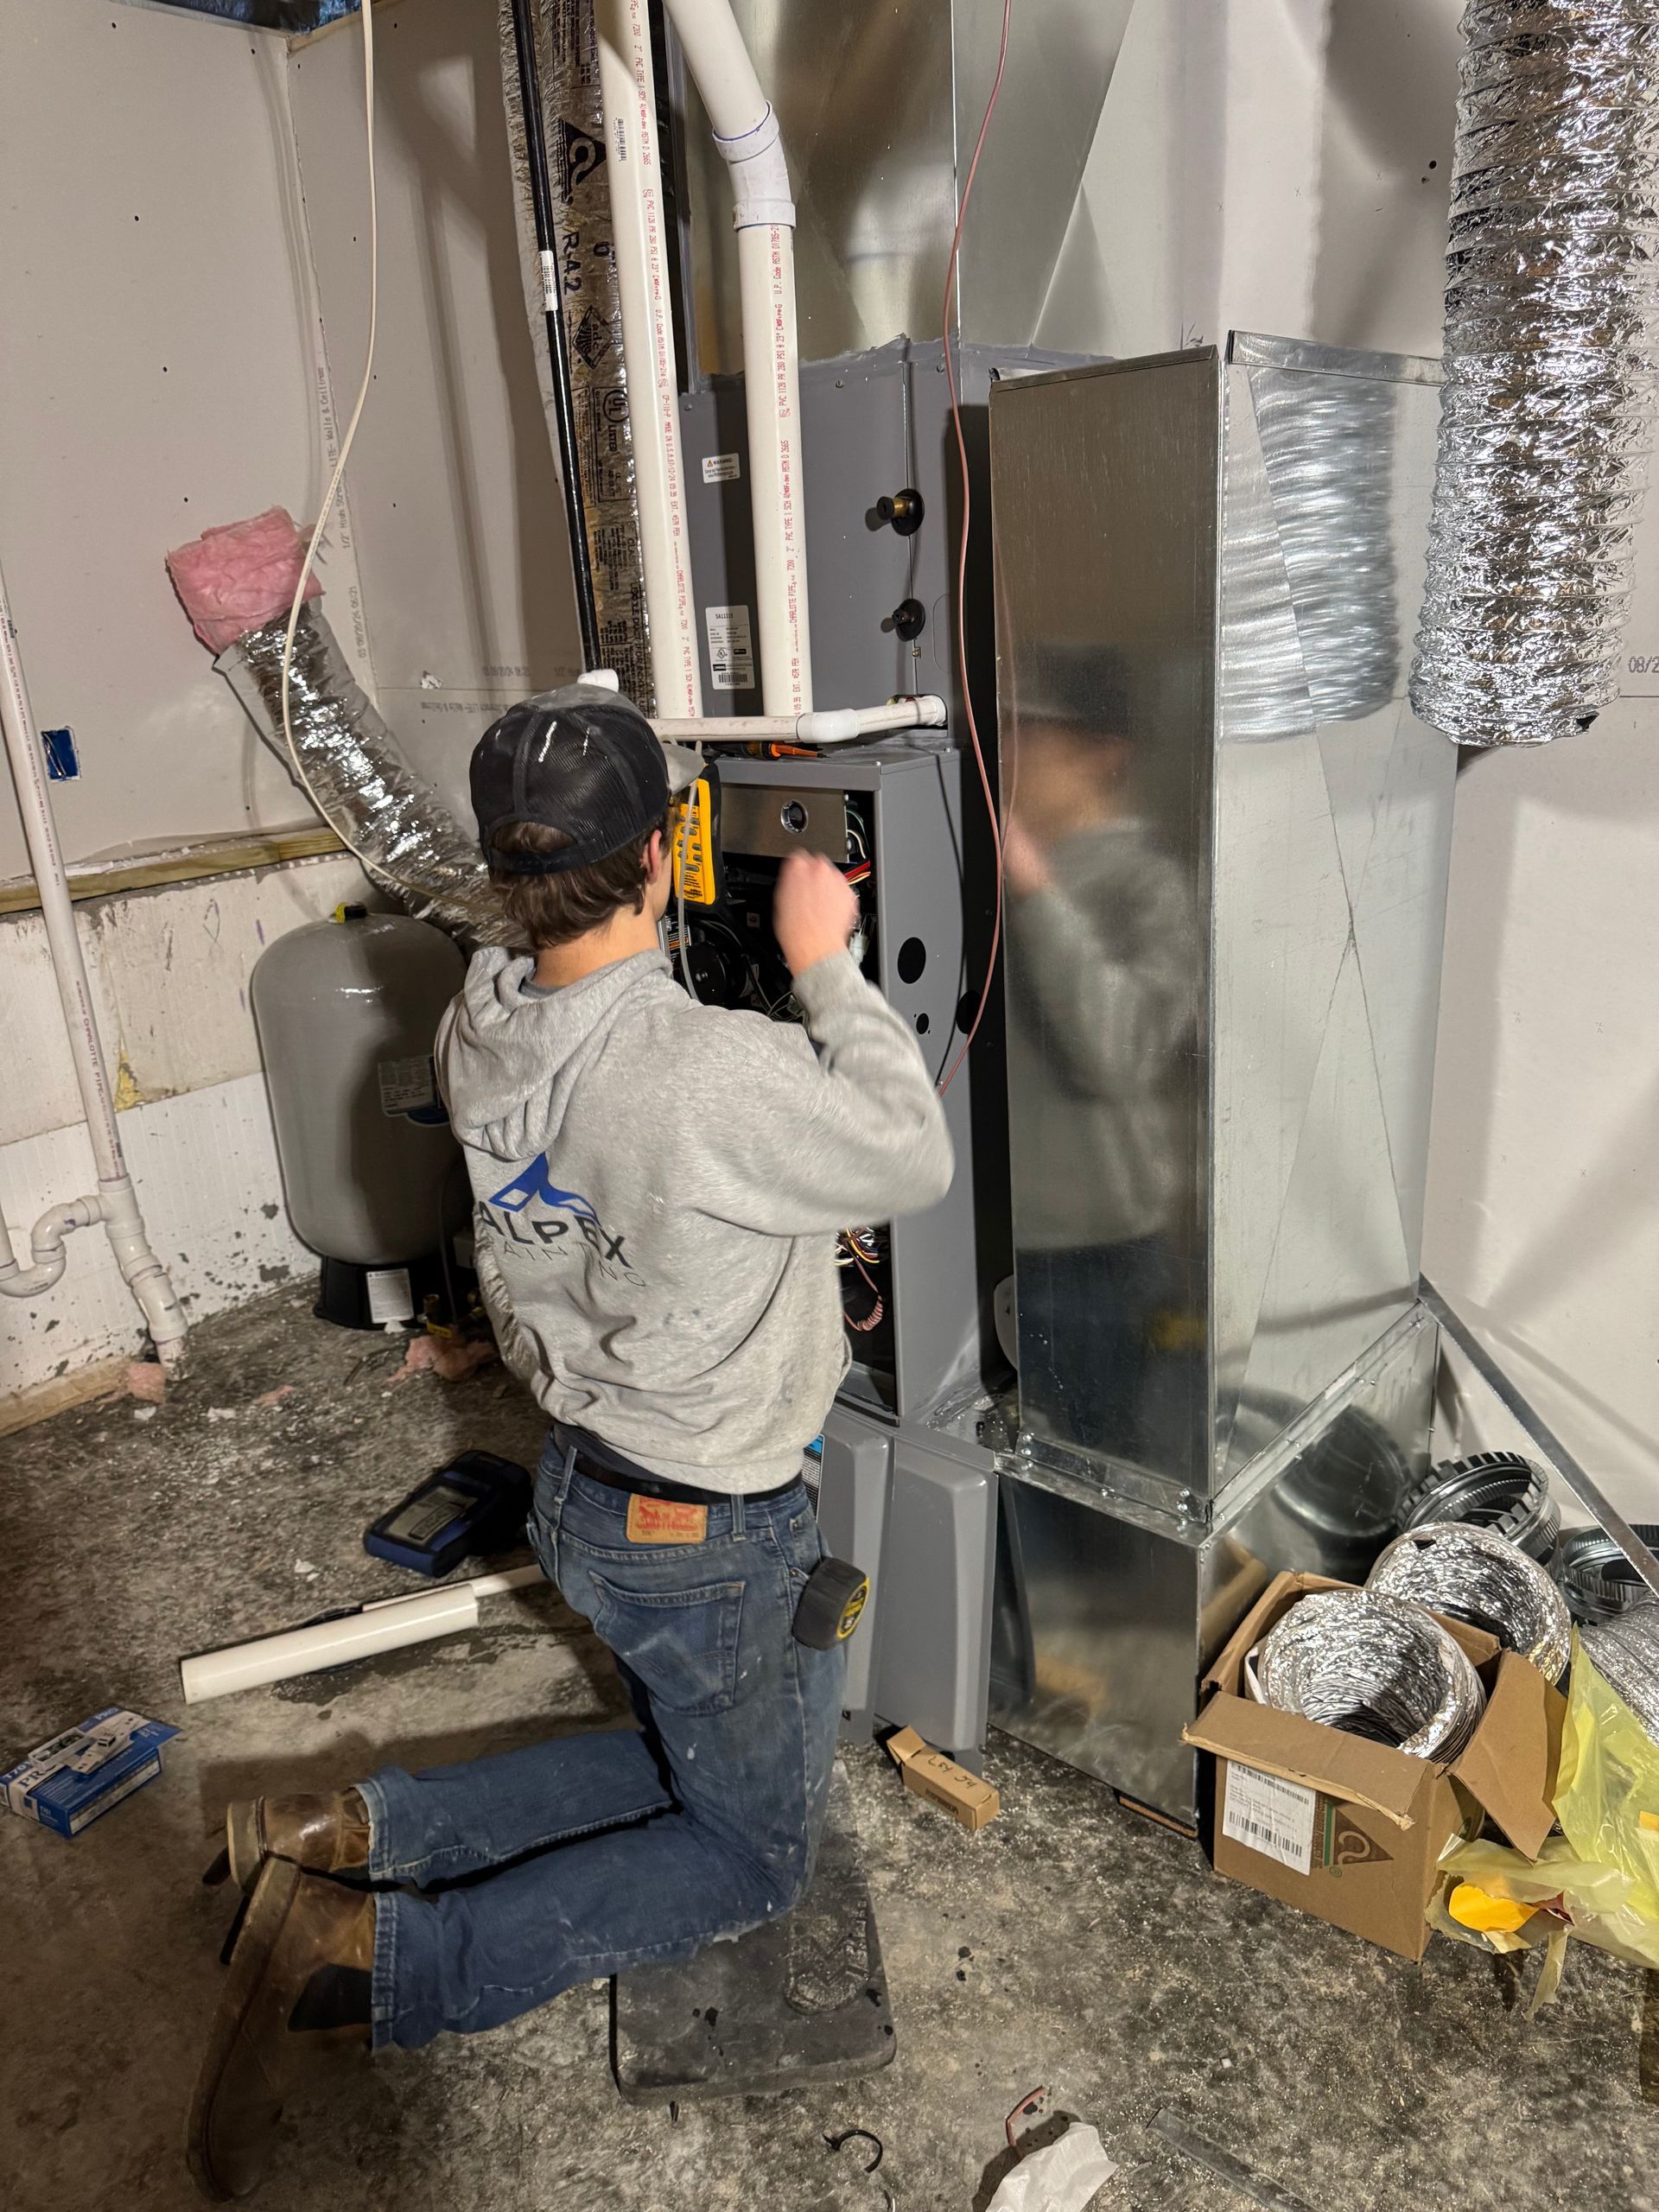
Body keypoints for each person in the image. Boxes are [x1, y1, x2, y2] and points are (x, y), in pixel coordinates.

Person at [188, 683, 953, 2200]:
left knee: (685, 1753)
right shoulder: (707, 1072)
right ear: (667, 855)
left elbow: (536, 995)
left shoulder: (480, 1017)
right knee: (749, 1852)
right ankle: (379, 1957)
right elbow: (910, 1154)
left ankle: (336, 1822)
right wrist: (825, 967)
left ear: (509, 874)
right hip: (712, 1531)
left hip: (590, 1502)